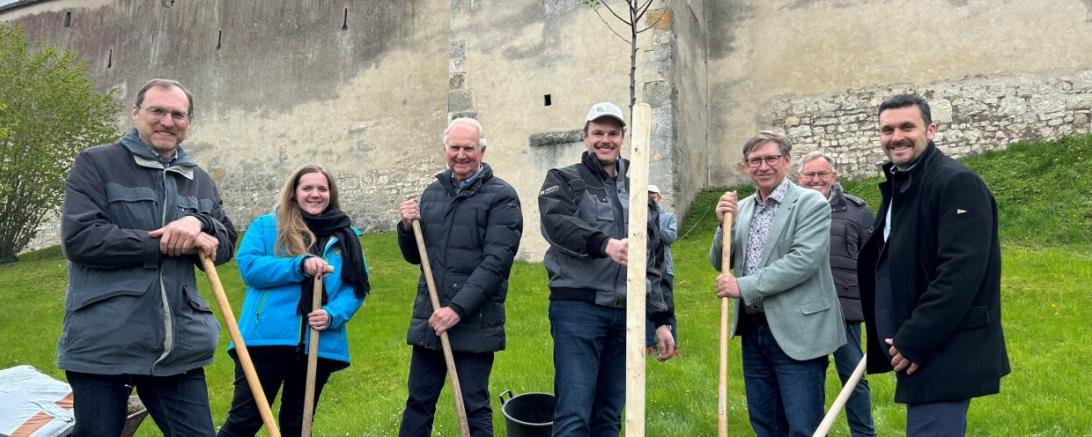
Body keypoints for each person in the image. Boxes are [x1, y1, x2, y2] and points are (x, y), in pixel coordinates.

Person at [57, 78, 237, 437]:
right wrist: (169, 241)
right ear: (136, 112)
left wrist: (197, 221)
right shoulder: (97, 163)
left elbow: (227, 240)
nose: (167, 122)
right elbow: (81, 239)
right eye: (157, 111)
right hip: (104, 344)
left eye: (178, 114)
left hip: (177, 350)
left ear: (188, 121)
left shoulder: (198, 180)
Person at [858, 94, 1010, 436]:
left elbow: (960, 273)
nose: (896, 136)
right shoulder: (903, 184)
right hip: (920, 342)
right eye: (887, 129)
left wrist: (914, 338)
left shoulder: (955, 182)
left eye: (906, 126)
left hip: (944, 344)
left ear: (931, 129)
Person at [538, 101, 676, 437]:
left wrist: (661, 320)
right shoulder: (563, 179)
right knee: (573, 413)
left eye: (612, 133)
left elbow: (654, 258)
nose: (605, 139)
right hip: (578, 310)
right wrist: (605, 244)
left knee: (610, 415)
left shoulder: (638, 183)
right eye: (597, 132)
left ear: (622, 137)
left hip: (627, 315)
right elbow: (557, 223)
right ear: (585, 137)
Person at [709, 131, 844, 437]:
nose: (763, 166)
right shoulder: (741, 208)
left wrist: (743, 286)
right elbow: (720, 260)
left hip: (798, 330)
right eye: (755, 160)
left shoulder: (810, 203)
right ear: (746, 166)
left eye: (771, 158)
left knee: (803, 426)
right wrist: (722, 224)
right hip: (754, 329)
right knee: (766, 424)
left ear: (786, 160)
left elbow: (803, 261)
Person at [218, 164, 369, 436]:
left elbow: (356, 287)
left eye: (322, 189)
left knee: (299, 427)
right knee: (244, 421)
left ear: (331, 194)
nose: (315, 194)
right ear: (294, 192)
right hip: (265, 340)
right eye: (307, 188)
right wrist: (299, 266)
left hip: (317, 344)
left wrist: (333, 314)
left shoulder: (346, 236)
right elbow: (250, 267)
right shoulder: (267, 226)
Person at [396, 118, 523, 437]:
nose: (461, 154)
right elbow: (417, 256)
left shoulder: (502, 197)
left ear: (482, 150)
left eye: (469, 148)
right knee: (418, 403)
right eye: (455, 147)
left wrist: (456, 310)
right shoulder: (432, 193)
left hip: (474, 321)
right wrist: (406, 228)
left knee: (473, 404)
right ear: (445, 150)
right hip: (431, 318)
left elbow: (496, 263)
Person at [797, 152, 876, 437]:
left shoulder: (858, 210)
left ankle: (864, 433)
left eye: (822, 174)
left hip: (844, 306)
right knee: (806, 377)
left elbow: (874, 259)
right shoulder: (790, 208)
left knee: (853, 375)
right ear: (799, 177)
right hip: (802, 307)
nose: (816, 179)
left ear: (834, 176)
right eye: (809, 174)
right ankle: (814, 431)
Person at [645, 185, 679, 355]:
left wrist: (653, 223)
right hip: (646, 269)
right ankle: (650, 344)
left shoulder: (669, 217)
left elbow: (671, 237)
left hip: (665, 268)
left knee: (668, 307)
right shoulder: (640, 213)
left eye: (654, 195)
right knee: (647, 307)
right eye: (648, 195)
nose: (651, 198)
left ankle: (674, 345)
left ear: (659, 197)